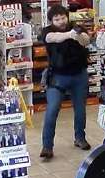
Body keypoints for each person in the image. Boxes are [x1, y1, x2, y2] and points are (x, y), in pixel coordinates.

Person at [39, 6, 91, 160]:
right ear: (51, 21)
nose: (61, 21)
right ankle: (47, 147)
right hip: (57, 78)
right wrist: (70, 35)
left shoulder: (77, 28)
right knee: (52, 110)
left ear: (67, 17)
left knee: (80, 109)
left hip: (79, 75)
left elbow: (86, 41)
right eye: (57, 19)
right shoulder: (47, 31)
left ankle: (80, 138)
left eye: (63, 18)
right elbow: (52, 38)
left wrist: (79, 36)